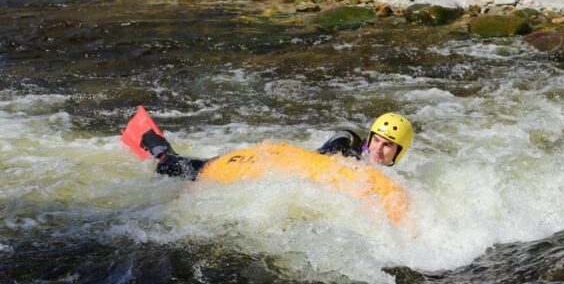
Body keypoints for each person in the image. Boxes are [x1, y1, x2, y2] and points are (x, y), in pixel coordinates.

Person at [139, 112, 414, 180]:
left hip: (280, 165)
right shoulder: (348, 144)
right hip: (269, 163)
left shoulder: (392, 179)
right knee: (189, 171)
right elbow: (326, 154)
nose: (378, 149)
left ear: (398, 153)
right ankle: (158, 148)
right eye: (376, 140)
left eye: (388, 146)